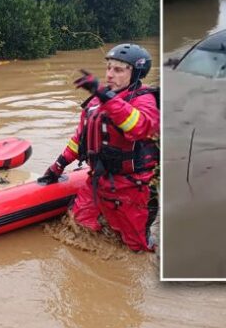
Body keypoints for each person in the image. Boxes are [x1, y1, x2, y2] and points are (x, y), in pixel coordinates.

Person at [39, 43, 160, 252]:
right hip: (98, 181)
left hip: (132, 189)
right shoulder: (96, 101)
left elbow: (141, 127)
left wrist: (106, 96)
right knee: (78, 225)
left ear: (136, 73)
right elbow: (79, 139)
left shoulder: (144, 99)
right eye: (109, 68)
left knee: (137, 249)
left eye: (118, 70)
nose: (110, 74)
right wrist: (57, 167)